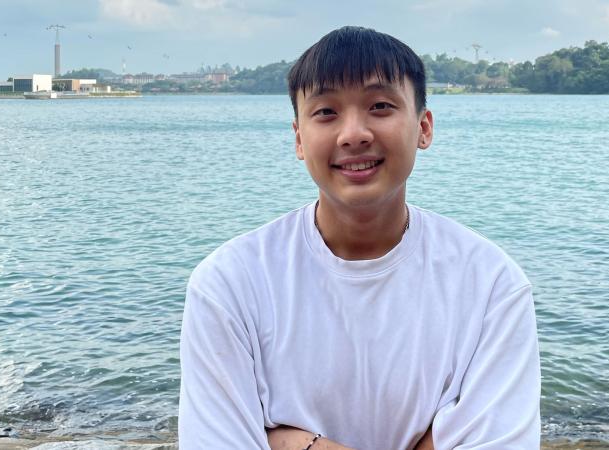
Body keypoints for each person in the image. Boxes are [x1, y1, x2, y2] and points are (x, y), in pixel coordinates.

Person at [179, 26, 540, 449]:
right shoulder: (230, 283)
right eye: (326, 112)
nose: (354, 134)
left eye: (380, 106)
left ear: (423, 127)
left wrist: (293, 443)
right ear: (299, 138)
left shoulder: (491, 284)